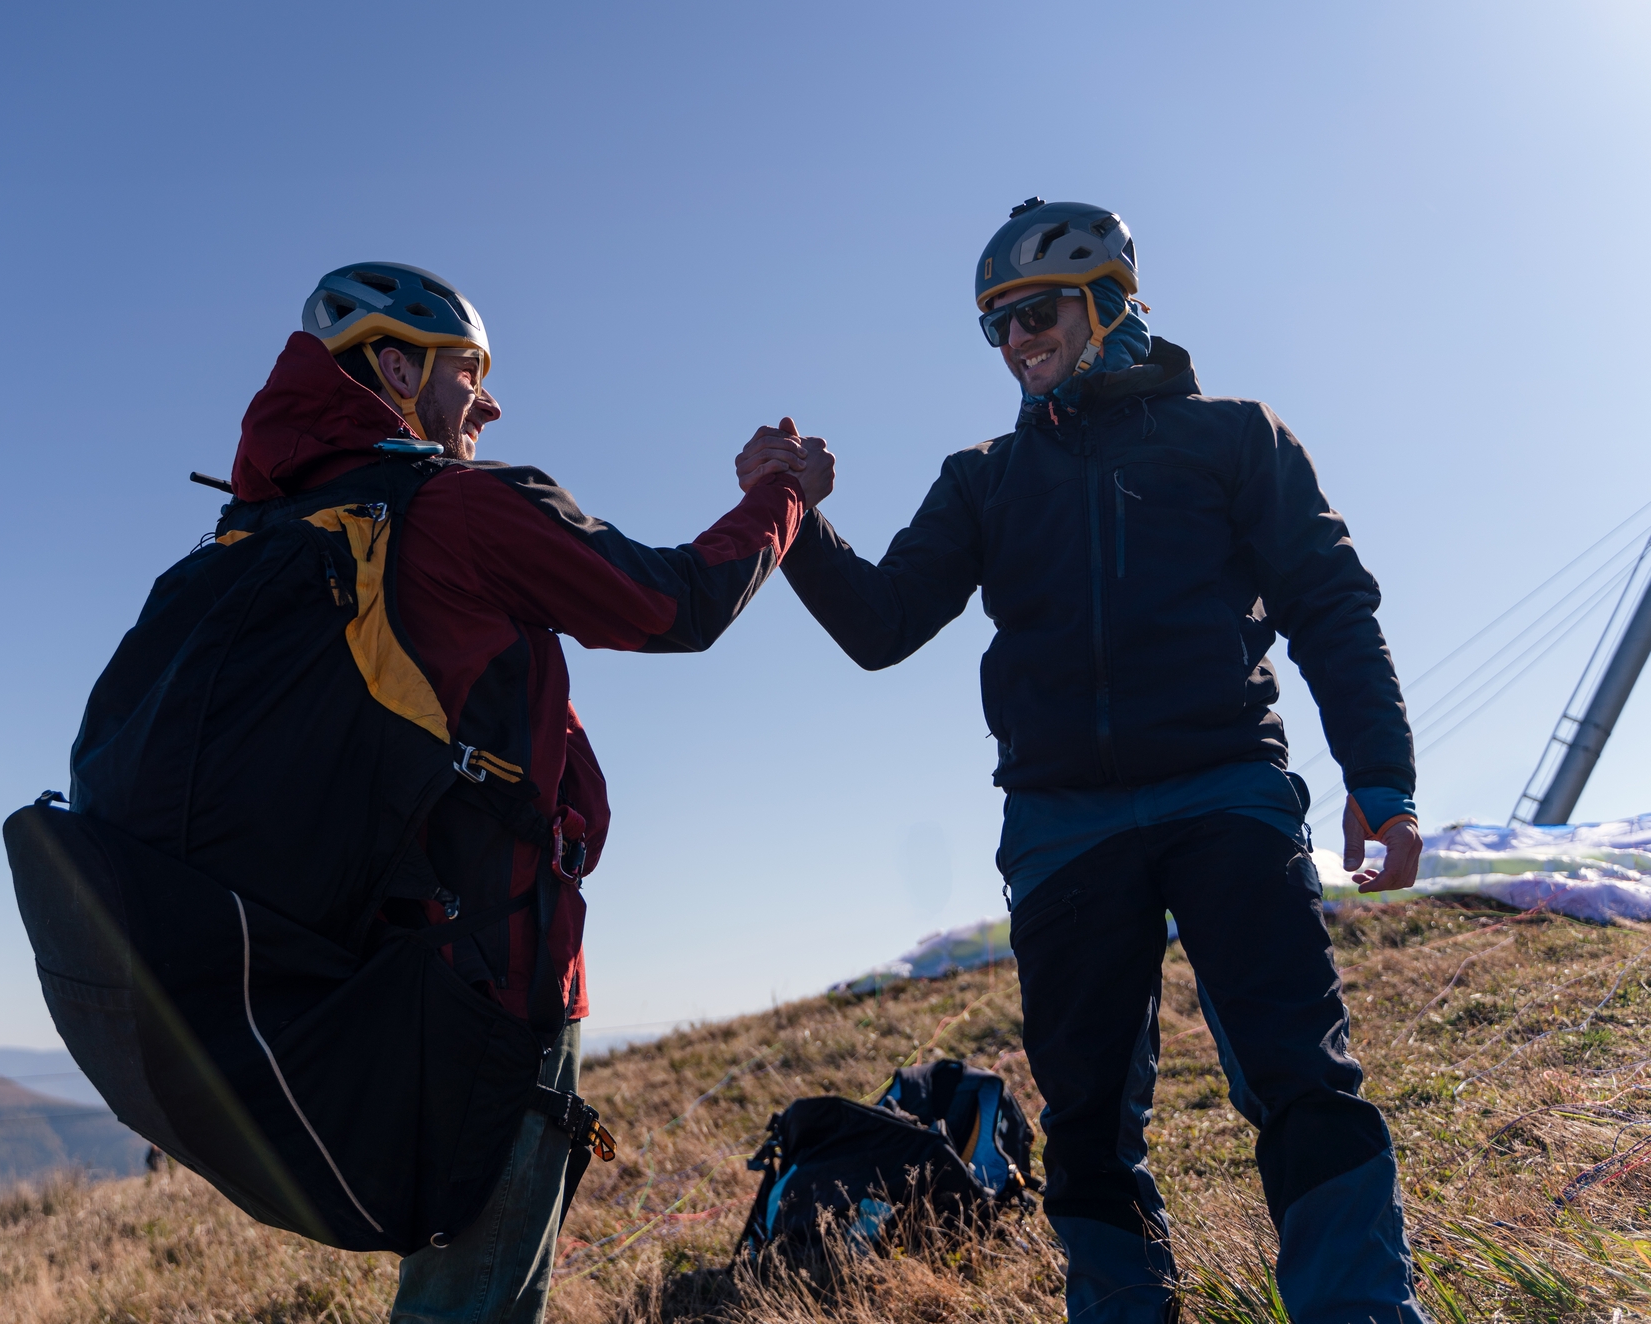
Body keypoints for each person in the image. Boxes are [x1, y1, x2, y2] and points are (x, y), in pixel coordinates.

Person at [750, 201, 1428, 1323]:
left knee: (1299, 1076)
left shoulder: (1232, 437)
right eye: (997, 328)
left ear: (1110, 301)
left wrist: (1381, 777)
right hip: (1062, 823)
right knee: (1084, 1123)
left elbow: (1330, 606)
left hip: (1227, 790)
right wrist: (788, 514)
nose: (1018, 343)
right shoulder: (981, 479)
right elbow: (881, 624)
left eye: (1037, 313)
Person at [236, 263, 815, 1324]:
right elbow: (675, 601)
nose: (489, 400)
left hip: (364, 974)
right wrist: (780, 494)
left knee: (455, 1272)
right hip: (498, 972)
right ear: (398, 368)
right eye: (469, 370)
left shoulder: (269, 532)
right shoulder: (458, 510)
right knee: (474, 1297)